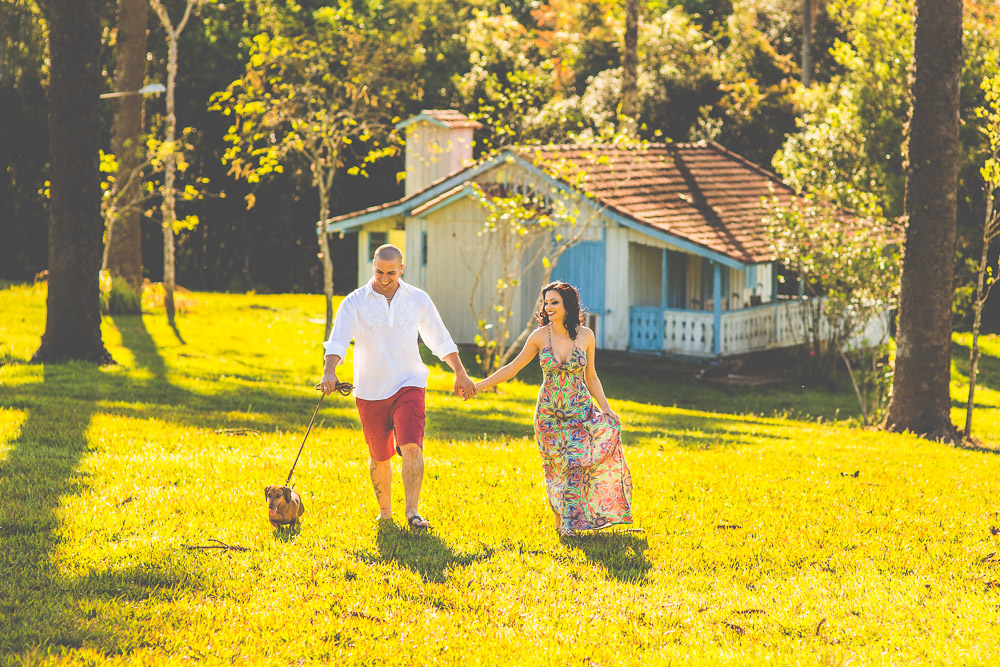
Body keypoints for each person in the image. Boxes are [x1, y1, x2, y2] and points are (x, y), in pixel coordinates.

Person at [319, 244, 476, 529]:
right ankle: (386, 512)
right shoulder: (354, 302)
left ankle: (413, 512)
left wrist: (460, 373)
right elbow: (338, 341)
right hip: (370, 389)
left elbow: (439, 338)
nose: (384, 278)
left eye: (391, 272)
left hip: (409, 382)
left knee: (412, 446)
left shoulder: (417, 299)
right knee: (380, 456)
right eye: (379, 271)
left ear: (401, 269)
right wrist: (329, 371)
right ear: (374, 267)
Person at [474, 281, 632, 536]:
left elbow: (591, 376)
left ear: (568, 305)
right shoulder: (539, 337)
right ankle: (561, 519)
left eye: (554, 302)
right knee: (555, 468)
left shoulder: (586, 336)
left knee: (574, 464)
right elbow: (511, 369)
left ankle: (570, 523)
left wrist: (606, 409)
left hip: (580, 413)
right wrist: (477, 386)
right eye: (545, 302)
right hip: (548, 416)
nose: (548, 307)